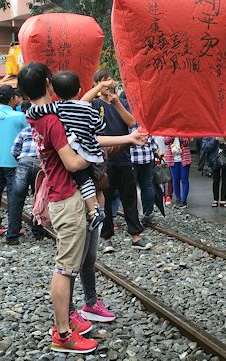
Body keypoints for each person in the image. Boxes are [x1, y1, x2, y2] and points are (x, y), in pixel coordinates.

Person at [18, 62, 148, 353]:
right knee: (64, 269)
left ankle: (69, 319)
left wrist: (126, 138)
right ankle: (62, 334)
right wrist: (94, 154)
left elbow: (83, 135)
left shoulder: (40, 115)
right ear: (49, 85)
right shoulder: (53, 119)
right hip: (67, 197)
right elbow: (74, 162)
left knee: (71, 265)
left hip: (64, 194)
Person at [27, 71, 110, 228]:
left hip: (71, 150)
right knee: (89, 179)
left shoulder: (56, 107)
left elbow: (36, 111)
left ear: (55, 93)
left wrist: (29, 112)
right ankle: (95, 209)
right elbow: (101, 127)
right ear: (79, 90)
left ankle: (93, 211)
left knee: (82, 179)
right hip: (89, 152)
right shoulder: (90, 109)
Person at [92, 69, 151, 253]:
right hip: (104, 161)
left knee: (129, 198)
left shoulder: (122, 102)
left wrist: (117, 102)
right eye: (103, 81)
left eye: (110, 80)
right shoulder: (93, 103)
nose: (108, 84)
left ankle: (136, 236)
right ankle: (107, 238)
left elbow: (132, 122)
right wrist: (99, 90)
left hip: (124, 158)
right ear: (97, 85)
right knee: (106, 201)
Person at [0, 85, 29, 236]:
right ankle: (14, 226)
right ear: (12, 99)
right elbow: (28, 131)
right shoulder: (19, 117)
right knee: (13, 194)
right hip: (14, 161)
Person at [2, 121, 45, 244]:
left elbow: (14, 150)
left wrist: (21, 160)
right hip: (40, 166)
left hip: (24, 163)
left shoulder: (25, 130)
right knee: (39, 198)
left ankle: (12, 235)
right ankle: (38, 231)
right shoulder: (46, 130)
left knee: (16, 199)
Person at [131, 130, 160, 225]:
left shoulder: (127, 122)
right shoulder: (144, 123)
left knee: (131, 186)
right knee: (147, 185)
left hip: (132, 157)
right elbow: (153, 143)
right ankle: (148, 212)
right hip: (147, 157)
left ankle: (135, 214)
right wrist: (156, 151)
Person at [202, 136, 226, 208]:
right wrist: (215, 139)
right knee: (215, 180)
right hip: (214, 159)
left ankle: (223, 200)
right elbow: (205, 148)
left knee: (225, 179)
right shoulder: (209, 134)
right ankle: (215, 199)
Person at [164, 136, 192, 208]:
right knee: (175, 180)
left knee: (184, 179)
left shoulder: (185, 131)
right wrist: (172, 136)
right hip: (172, 159)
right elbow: (166, 141)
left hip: (184, 158)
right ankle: (177, 199)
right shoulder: (168, 130)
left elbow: (187, 142)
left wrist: (181, 136)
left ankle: (183, 200)